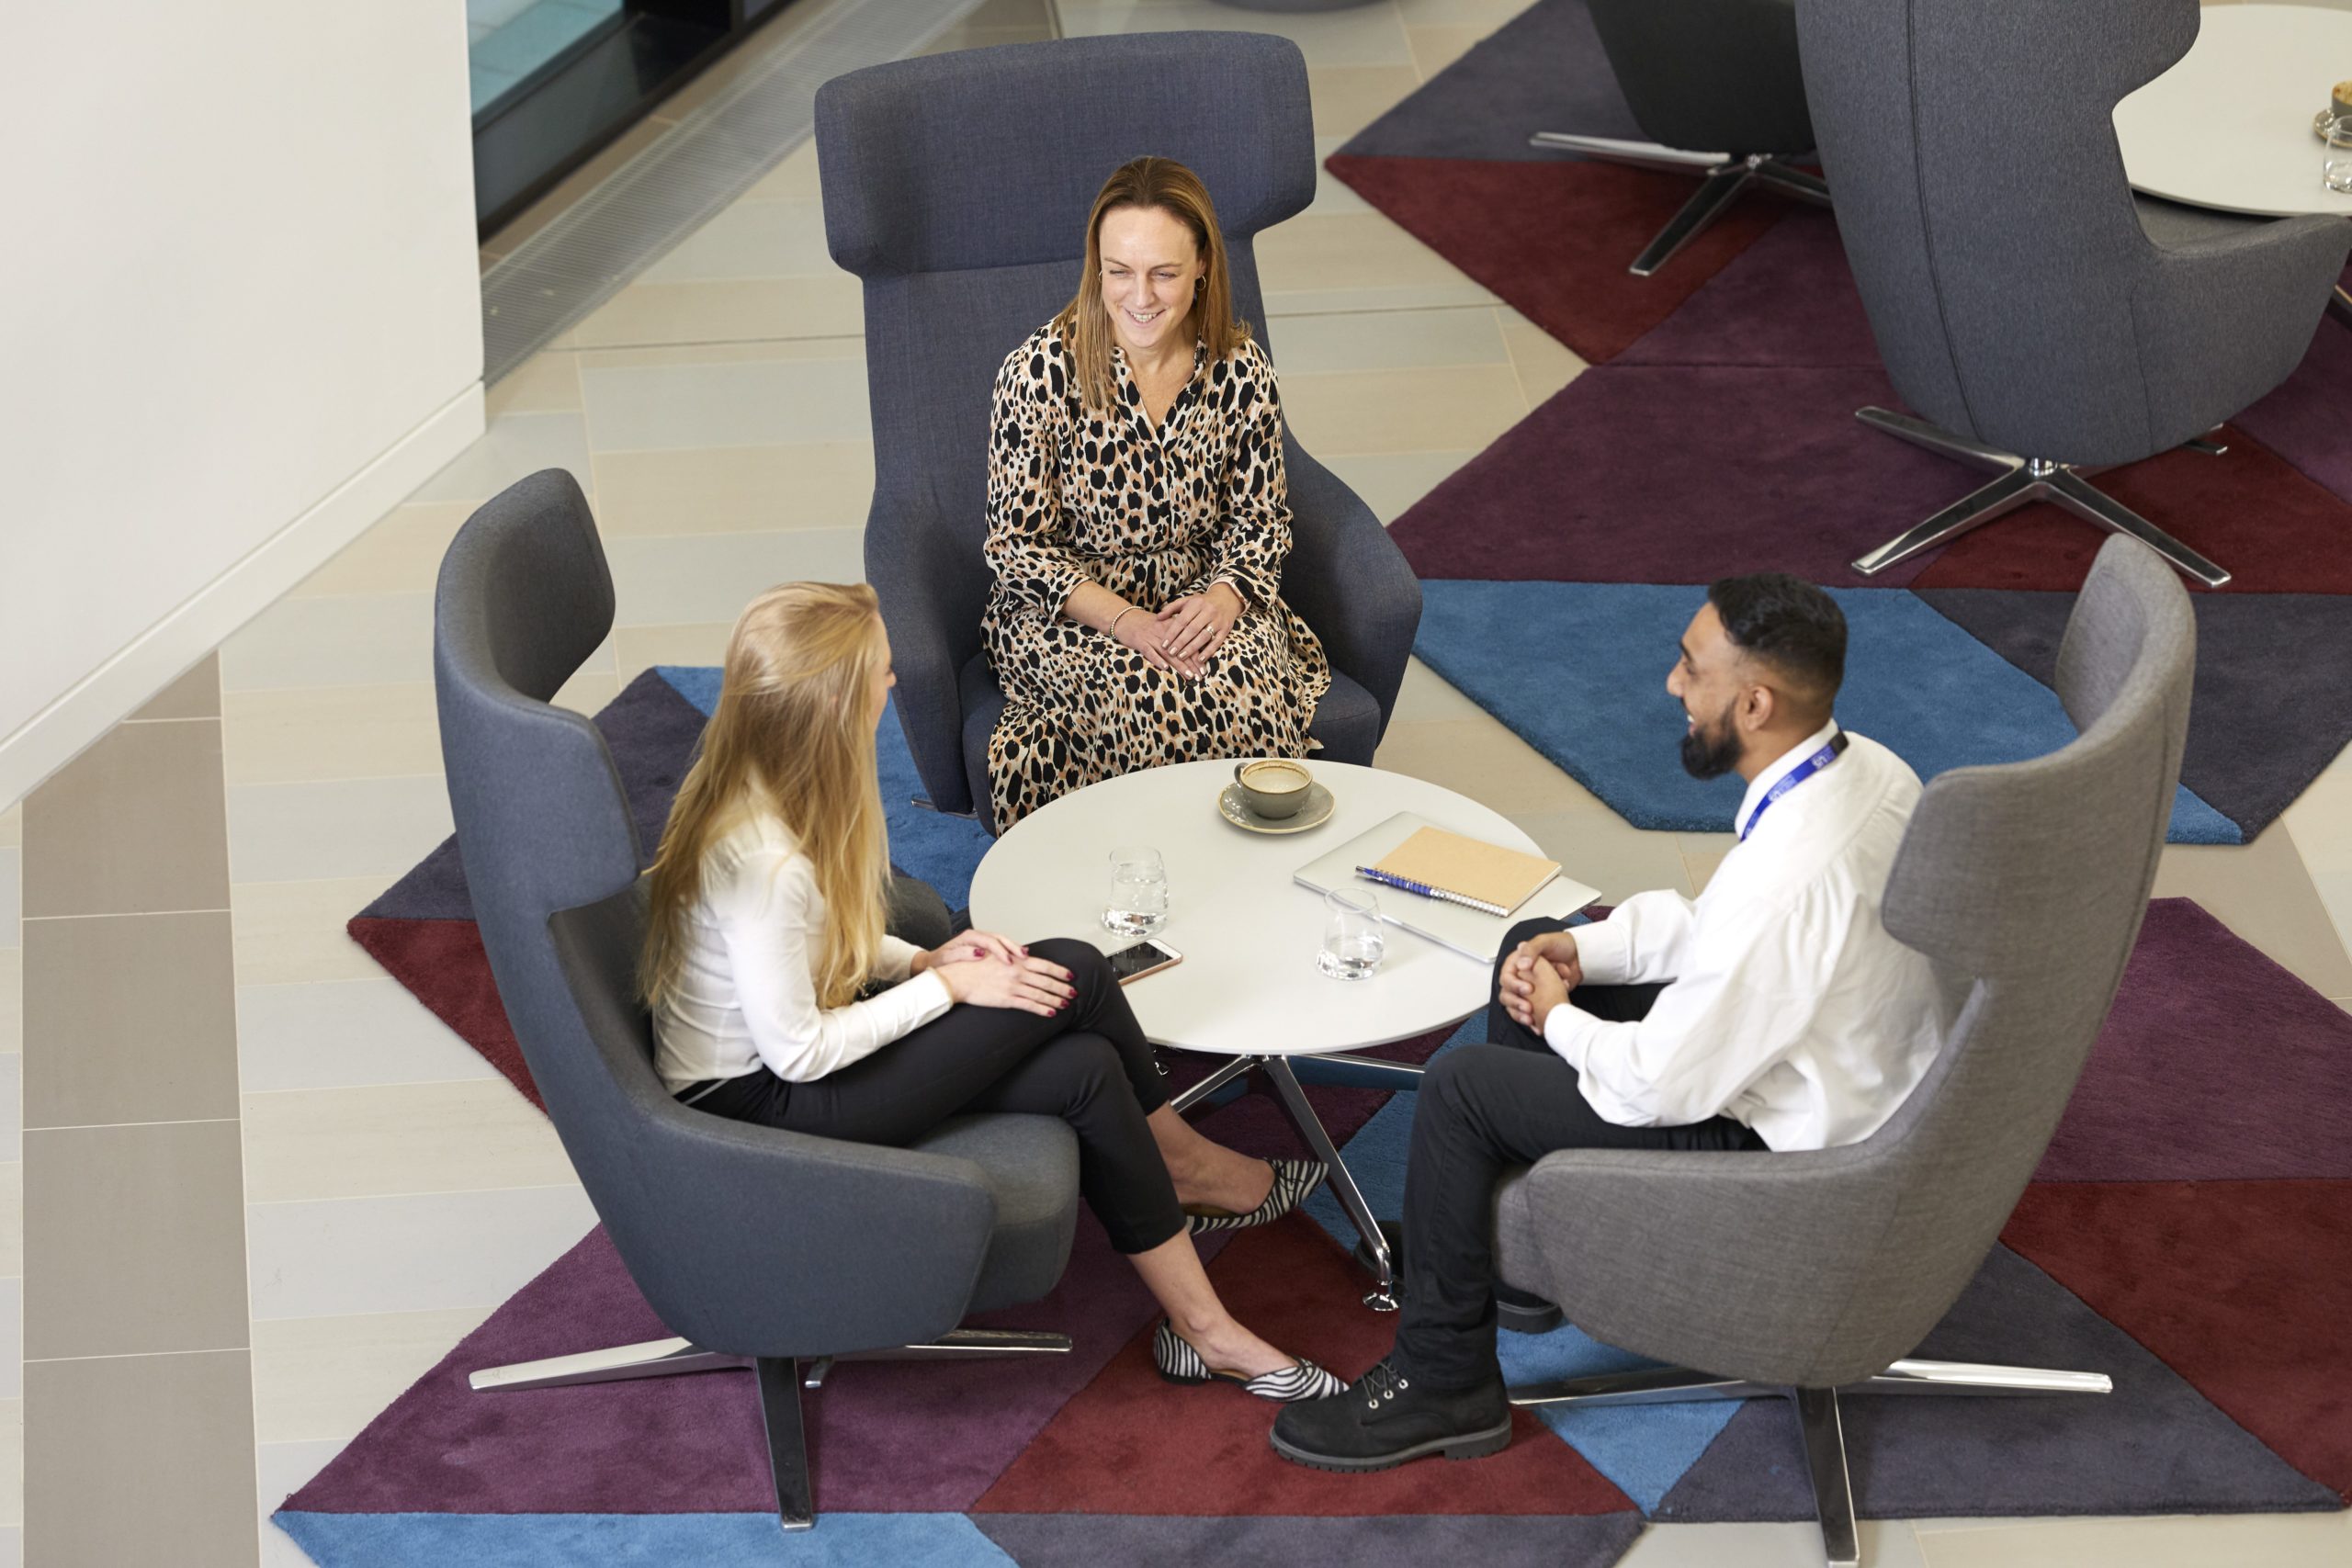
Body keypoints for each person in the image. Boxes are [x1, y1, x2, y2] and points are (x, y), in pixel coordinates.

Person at [1272, 574, 1947, 1470]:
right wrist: (1580, 954)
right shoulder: (1865, 770)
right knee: (1537, 942)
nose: (1672, 685)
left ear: (1754, 702)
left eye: (1689, 668)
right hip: (1827, 1069)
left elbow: (1654, 1087)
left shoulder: (1792, 881)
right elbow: (1715, 930)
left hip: (1791, 1156)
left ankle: (1446, 1381)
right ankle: (1504, 1255)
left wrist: (1555, 1018)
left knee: (1463, 1088)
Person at [643, 581, 1336, 1401]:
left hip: (795, 1053)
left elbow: (818, 941)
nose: (893, 684)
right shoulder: (763, 862)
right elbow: (797, 1053)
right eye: (881, 671)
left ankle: (1203, 1330)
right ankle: (1186, 1166)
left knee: (1084, 1069)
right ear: (830, 706)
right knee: (1075, 968)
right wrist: (955, 989)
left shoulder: (769, 786)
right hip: (761, 1106)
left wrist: (922, 960)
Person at [979, 155, 1330, 829]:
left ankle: (1244, 884)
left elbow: (1262, 518)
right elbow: (1016, 549)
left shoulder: (1240, 368)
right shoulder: (1038, 374)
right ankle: (1146, 880)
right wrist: (1130, 623)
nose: (1139, 296)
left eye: (1164, 273)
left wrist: (1225, 597)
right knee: (1148, 694)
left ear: (1202, 266)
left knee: (1242, 690)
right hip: (1071, 611)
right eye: (1119, 271)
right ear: (1097, 268)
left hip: (1204, 596)